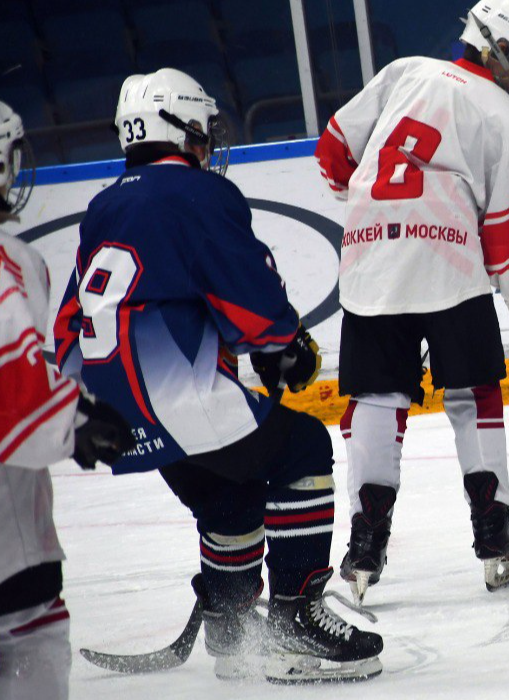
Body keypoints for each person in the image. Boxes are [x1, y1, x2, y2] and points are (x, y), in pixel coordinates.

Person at [55, 70, 382, 683]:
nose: (208, 142)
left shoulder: (105, 204)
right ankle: (294, 622)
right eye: (202, 128)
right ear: (177, 129)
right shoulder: (197, 194)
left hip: (108, 410)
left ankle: (233, 635)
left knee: (232, 497)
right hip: (171, 393)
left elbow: (78, 316)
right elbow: (243, 284)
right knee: (303, 446)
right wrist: (282, 344)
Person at [314, 0, 509, 598]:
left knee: (376, 397)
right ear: (500, 45)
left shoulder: (403, 71)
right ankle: (492, 531)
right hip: (448, 261)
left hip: (369, 257)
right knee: (472, 390)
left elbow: (332, 155)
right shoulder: (508, 118)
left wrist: (377, 214)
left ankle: (364, 545)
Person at [0, 102, 134, 700]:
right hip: (10, 550)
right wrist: (74, 423)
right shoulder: (10, 261)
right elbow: (15, 392)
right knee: (31, 637)